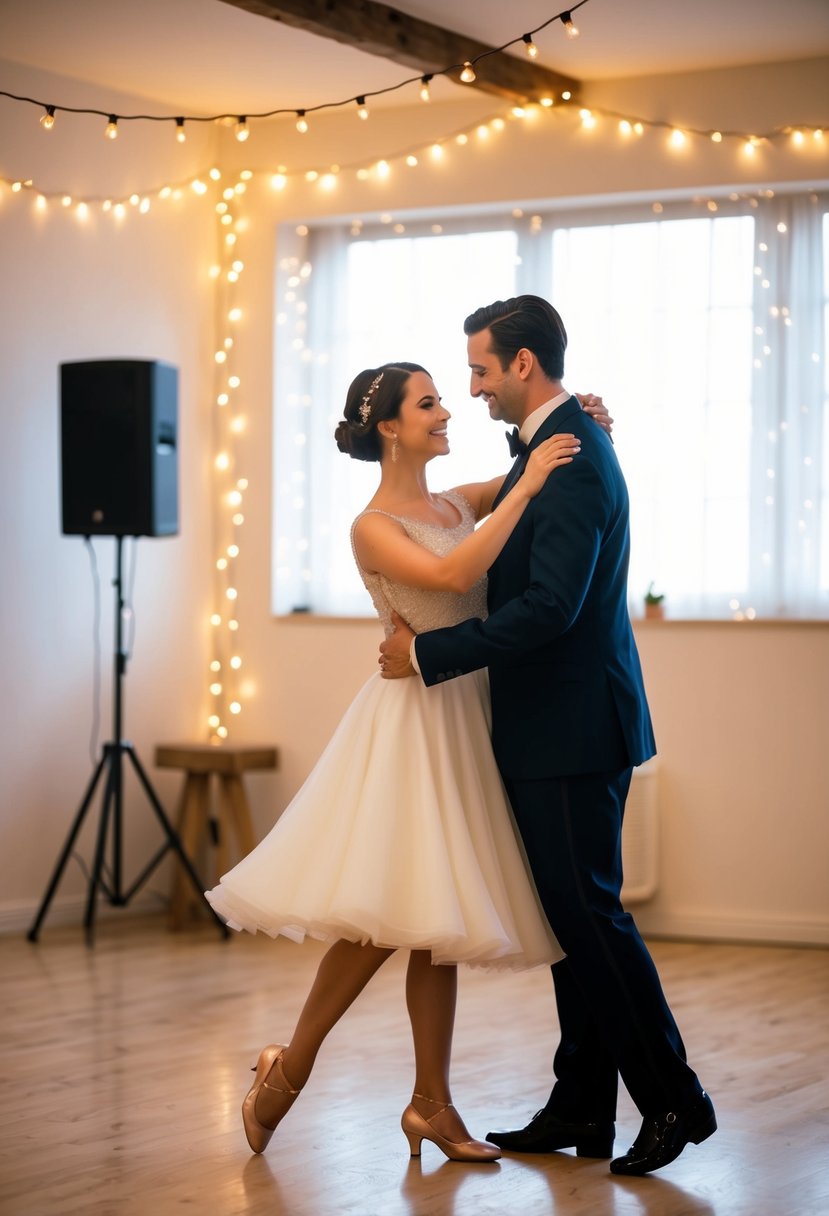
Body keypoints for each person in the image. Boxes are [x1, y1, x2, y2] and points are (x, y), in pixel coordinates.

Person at [206, 360, 613, 1163]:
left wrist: (580, 427)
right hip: (410, 727)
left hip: (466, 715)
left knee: (434, 921)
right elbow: (457, 573)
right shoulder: (373, 526)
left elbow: (531, 465)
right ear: (389, 426)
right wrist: (525, 485)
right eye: (427, 402)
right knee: (380, 921)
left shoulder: (454, 501)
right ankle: (288, 1067)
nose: (446, 410)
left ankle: (432, 1103)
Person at [379, 296, 717, 1177]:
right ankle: (580, 1103)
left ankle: (675, 1100)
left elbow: (548, 608)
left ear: (523, 366)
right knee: (573, 923)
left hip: (570, 727)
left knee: (591, 920)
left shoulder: (568, 461)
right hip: (557, 724)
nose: (473, 388)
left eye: (481, 371)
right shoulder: (554, 448)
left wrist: (426, 653)